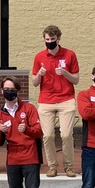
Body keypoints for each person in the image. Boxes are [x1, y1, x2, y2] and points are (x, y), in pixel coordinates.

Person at [32, 25, 80, 178]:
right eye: (47, 39)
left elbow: (76, 80)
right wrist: (39, 74)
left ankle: (69, 166)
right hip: (46, 100)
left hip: (66, 99)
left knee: (66, 134)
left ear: (58, 39)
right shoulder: (39, 57)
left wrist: (65, 73)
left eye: (53, 39)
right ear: (44, 39)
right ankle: (52, 166)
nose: (50, 42)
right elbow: (34, 82)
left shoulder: (69, 54)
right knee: (48, 136)